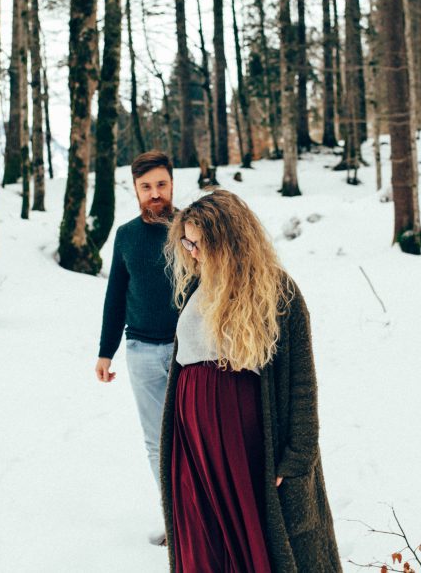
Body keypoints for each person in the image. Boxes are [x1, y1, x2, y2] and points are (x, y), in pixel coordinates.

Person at [159, 189, 342, 572]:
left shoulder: (278, 293)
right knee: (203, 542)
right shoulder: (195, 288)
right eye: (186, 242)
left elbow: (303, 386)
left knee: (254, 544)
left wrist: (296, 459)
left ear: (227, 240)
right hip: (193, 443)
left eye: (199, 243)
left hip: (245, 442)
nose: (191, 252)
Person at [95, 150, 178, 545]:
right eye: (146, 187)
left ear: (172, 183)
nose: (154, 193)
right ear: (135, 189)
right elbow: (116, 295)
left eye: (161, 184)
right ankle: (177, 520)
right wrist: (105, 351)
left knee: (196, 434)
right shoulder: (126, 236)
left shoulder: (190, 228)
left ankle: (207, 515)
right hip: (142, 351)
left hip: (189, 352)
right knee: (156, 442)